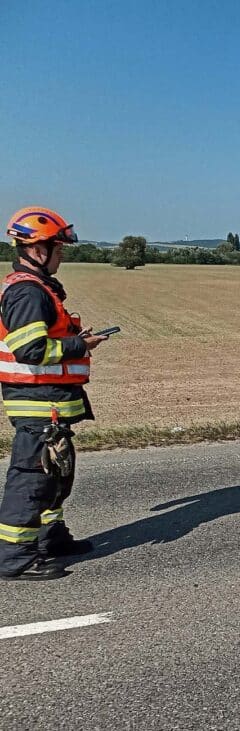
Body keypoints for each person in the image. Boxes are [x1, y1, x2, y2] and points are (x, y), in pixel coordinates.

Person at [0, 207, 108, 581]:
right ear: (38, 250)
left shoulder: (39, 289)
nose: (62, 256)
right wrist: (79, 345)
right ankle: (14, 557)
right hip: (37, 402)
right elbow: (29, 350)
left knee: (55, 475)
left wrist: (77, 341)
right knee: (31, 478)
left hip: (51, 403)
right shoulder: (27, 292)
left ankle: (51, 538)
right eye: (58, 249)